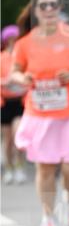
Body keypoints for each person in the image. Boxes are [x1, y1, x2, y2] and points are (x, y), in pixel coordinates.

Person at [12, 0, 69, 226]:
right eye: (43, 5)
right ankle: (48, 215)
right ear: (35, 10)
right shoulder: (25, 43)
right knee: (45, 166)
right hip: (40, 112)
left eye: (52, 5)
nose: (48, 9)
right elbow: (15, 72)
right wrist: (22, 79)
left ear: (59, 7)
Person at [1, 24, 28, 184]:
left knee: (19, 135)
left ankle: (19, 167)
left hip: (20, 101)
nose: (13, 42)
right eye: (9, 40)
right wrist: (6, 82)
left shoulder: (23, 57)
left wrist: (21, 82)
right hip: (4, 102)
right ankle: (9, 168)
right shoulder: (1, 57)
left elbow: (30, 77)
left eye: (15, 39)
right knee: (7, 140)